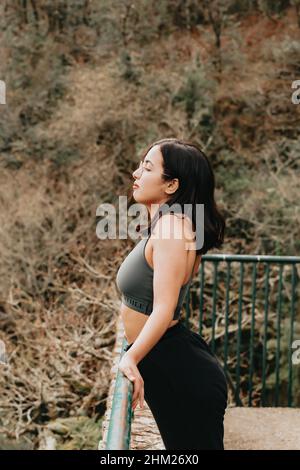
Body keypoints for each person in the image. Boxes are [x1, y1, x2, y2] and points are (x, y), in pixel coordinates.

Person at [116, 138, 228, 450]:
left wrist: (131, 357)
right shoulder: (165, 224)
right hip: (169, 364)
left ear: (172, 185)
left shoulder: (172, 229)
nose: (136, 173)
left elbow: (163, 309)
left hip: (179, 372)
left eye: (148, 167)